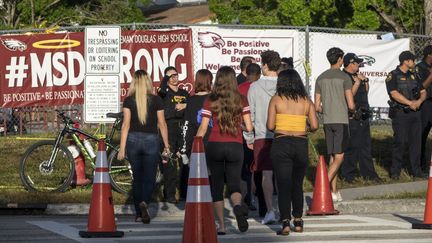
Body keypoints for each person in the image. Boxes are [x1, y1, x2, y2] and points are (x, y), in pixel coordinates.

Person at [196, 66, 253, 234]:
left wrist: (196, 143)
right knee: (235, 183)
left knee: (217, 186)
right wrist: (239, 125)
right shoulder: (242, 99)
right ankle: (237, 206)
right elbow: (249, 127)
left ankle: (221, 226)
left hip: (214, 145)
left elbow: (203, 128)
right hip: (235, 145)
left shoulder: (209, 100)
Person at [267, 69, 318, 235]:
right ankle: (298, 220)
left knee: (283, 185)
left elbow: (270, 125)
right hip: (300, 143)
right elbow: (315, 126)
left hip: (281, 142)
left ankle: (285, 222)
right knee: (297, 184)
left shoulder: (276, 99)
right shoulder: (306, 101)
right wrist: (304, 127)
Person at [118, 70, 170, 224]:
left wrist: (122, 148)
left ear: (134, 83)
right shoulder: (156, 100)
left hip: (133, 140)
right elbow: (162, 124)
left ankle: (138, 214)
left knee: (137, 178)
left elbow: (125, 125)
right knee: (149, 178)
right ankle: (145, 203)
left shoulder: (128, 101)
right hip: (151, 140)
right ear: (148, 82)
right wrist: (166, 146)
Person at [314, 47, 355, 202]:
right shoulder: (344, 78)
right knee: (339, 157)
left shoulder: (320, 77)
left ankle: (334, 192)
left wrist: (327, 109)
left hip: (328, 120)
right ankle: (321, 188)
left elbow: (317, 105)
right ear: (339, 59)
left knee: (332, 155)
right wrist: (352, 110)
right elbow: (351, 104)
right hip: (341, 120)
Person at [245, 50, 280, 224]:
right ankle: (283, 208)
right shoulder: (285, 84)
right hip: (283, 133)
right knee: (283, 174)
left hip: (261, 134)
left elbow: (249, 114)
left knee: (266, 174)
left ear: (265, 65)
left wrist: (248, 137)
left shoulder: (255, 87)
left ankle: (270, 210)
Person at [340, 53, 381, 183]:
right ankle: (348, 175)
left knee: (365, 146)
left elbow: (365, 92)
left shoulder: (357, 76)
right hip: (352, 116)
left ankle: (369, 174)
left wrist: (365, 81)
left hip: (363, 115)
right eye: (357, 63)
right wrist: (357, 83)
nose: (359, 65)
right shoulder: (344, 77)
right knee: (352, 146)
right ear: (350, 64)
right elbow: (348, 97)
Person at [386, 51, 426, 179]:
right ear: (406, 61)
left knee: (416, 143)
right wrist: (410, 103)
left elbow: (423, 91)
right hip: (401, 113)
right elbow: (394, 93)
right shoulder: (393, 75)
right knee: (400, 142)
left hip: (415, 114)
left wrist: (419, 101)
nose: (414, 63)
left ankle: (417, 171)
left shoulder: (415, 75)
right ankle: (395, 172)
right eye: (412, 60)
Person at [157, 66, 189, 203]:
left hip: (183, 128)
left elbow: (191, 106)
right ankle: (169, 194)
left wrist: (185, 106)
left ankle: (184, 193)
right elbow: (161, 92)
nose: (174, 78)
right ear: (166, 78)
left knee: (184, 160)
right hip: (168, 128)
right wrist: (166, 78)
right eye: (171, 76)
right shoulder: (164, 92)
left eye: (176, 75)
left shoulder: (184, 93)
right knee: (169, 162)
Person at [238, 63, 262, 211]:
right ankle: (253, 197)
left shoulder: (239, 89)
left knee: (243, 168)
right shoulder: (260, 88)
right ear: (259, 75)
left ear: (245, 73)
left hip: (242, 130)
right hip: (259, 131)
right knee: (256, 167)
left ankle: (244, 198)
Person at [180, 69, 213, 158]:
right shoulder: (215, 98)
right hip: (215, 143)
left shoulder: (191, 101)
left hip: (198, 145)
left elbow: (187, 127)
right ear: (210, 81)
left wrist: (185, 149)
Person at [416, 45, 432, 173]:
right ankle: (420, 165)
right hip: (425, 105)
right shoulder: (419, 68)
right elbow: (421, 87)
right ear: (429, 55)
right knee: (422, 135)